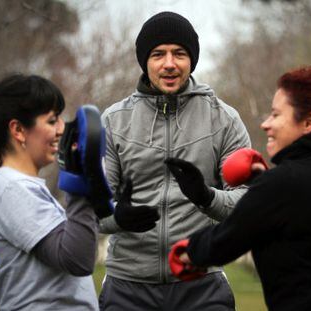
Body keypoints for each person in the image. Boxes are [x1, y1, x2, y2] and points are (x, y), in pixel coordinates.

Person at [172, 66, 311, 310]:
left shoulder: (285, 183)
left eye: (275, 114)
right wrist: (261, 184)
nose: (265, 124)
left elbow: (226, 240)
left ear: (308, 122)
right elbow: (310, 220)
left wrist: (186, 252)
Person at [99, 11, 251, 310]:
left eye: (179, 53)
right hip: (127, 287)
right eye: (158, 54)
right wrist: (118, 217)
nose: (169, 64)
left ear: (191, 59)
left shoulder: (223, 119)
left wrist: (208, 197)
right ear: (145, 61)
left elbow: (248, 203)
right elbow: (89, 209)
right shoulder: (113, 121)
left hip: (201, 283)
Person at [0, 74, 102, 310]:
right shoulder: (11, 189)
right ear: (19, 130)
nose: (62, 129)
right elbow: (76, 259)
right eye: (52, 121)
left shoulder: (20, 187)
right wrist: (79, 183)